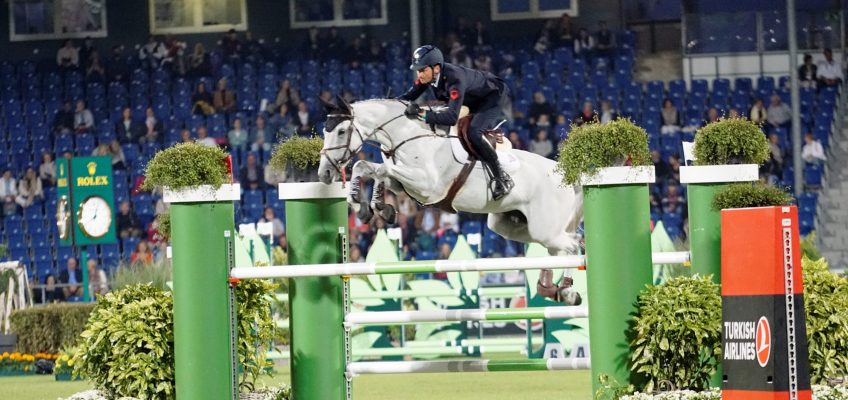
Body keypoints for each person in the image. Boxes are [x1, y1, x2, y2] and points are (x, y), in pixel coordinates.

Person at [397, 45, 514, 199]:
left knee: (473, 132)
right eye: (418, 70)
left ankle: (501, 177)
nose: (419, 74)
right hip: (471, 97)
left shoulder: (454, 78)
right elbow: (407, 97)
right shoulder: (428, 75)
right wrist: (387, 106)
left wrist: (420, 113)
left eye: (422, 70)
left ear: (436, 68)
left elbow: (451, 118)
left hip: (492, 96)